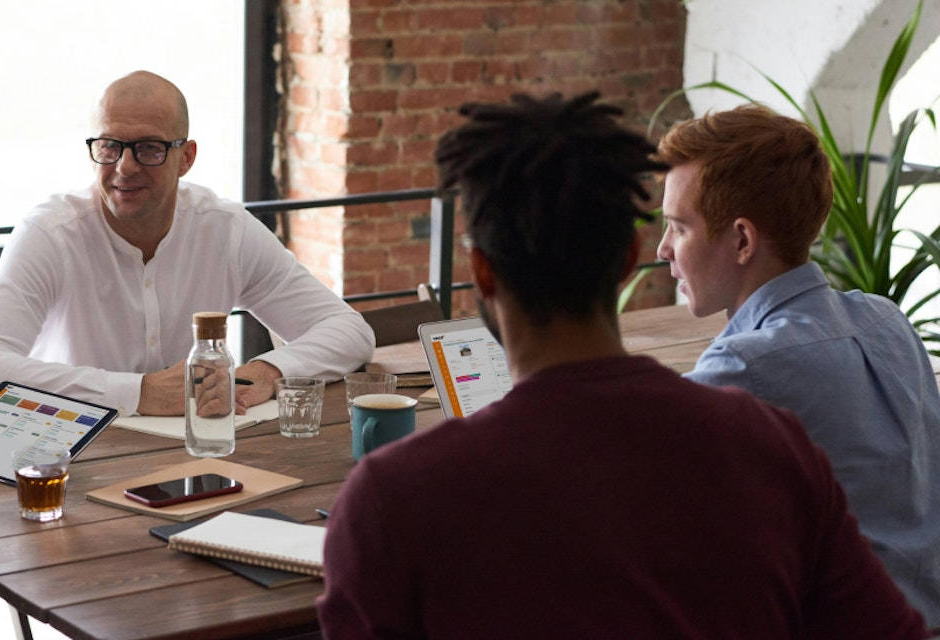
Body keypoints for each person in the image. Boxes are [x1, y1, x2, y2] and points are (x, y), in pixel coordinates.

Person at [317, 92, 926, 638]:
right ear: (627, 258)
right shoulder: (828, 382)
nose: (667, 248)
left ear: (481, 272)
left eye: (678, 227)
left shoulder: (389, 499)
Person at [656, 104, 940, 624]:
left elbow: (611, 474)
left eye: (678, 227)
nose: (663, 249)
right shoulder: (884, 319)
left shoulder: (746, 365)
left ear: (742, 239)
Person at [0, 71, 374, 416]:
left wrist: (266, 372)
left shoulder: (224, 228)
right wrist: (139, 393)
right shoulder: (51, 233)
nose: (124, 167)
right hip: (72, 454)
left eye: (149, 148)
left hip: (192, 452)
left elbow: (350, 332)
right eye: (109, 147)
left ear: (186, 157)